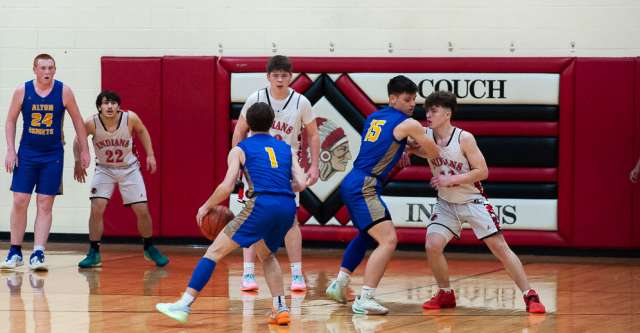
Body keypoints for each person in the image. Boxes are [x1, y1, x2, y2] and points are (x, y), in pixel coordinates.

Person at [155, 102, 307, 325]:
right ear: (272, 122)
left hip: (261, 204)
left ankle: (184, 304)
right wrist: (280, 190)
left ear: (246, 124)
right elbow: (301, 183)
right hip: (286, 207)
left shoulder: (240, 149)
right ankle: (281, 307)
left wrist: (206, 206)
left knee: (213, 253)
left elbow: (227, 186)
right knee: (267, 255)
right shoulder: (287, 149)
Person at [412, 90, 546, 313]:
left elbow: (483, 172)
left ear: (447, 113)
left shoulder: (464, 138)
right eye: (426, 110)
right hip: (446, 203)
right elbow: (414, 147)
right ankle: (445, 293)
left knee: (500, 247)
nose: (428, 114)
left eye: (433, 110)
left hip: (472, 200)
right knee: (432, 245)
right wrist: (406, 151)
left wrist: (451, 179)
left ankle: (529, 295)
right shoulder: (425, 135)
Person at [325, 75, 440, 315]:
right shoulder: (409, 124)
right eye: (407, 100)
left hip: (354, 181)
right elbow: (433, 151)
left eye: (414, 100)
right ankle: (365, 297)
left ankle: (340, 284)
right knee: (388, 240)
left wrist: (403, 147)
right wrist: (417, 145)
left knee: (368, 236)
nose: (412, 105)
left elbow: (383, 144)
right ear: (393, 99)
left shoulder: (373, 117)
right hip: (365, 184)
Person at [232, 55, 320, 292]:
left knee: (291, 221)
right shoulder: (255, 98)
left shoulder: (301, 102)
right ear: (268, 76)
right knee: (251, 218)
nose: (280, 80)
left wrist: (313, 166)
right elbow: (239, 131)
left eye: (284, 75)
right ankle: (248, 273)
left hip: (285, 164)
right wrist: (237, 162)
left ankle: (297, 274)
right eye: (276, 75)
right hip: (256, 165)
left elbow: (313, 134)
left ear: (290, 77)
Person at [2, 53, 90, 271]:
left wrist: (85, 151)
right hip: (27, 153)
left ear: (55, 69)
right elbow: (10, 120)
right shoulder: (22, 91)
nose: (47, 72)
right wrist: (11, 150)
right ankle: (15, 250)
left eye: (51, 68)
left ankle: (38, 252)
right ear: (34, 69)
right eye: (43, 68)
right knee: (20, 200)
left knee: (45, 203)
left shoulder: (64, 91)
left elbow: (78, 121)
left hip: (52, 155)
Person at [73, 91, 168, 268]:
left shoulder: (130, 118)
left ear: (119, 106)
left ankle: (149, 247)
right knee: (96, 207)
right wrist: (78, 161)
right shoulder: (91, 123)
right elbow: (78, 141)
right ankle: (94, 251)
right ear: (99, 107)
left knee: (142, 209)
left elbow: (142, 131)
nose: (109, 106)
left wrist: (151, 155)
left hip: (129, 169)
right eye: (106, 103)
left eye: (113, 103)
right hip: (105, 169)